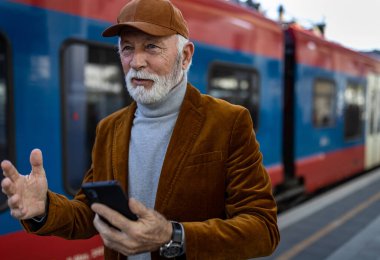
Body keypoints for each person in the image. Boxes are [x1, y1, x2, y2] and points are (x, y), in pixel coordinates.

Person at [1, 0, 280, 259]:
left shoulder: (228, 122)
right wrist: (44, 209)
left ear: (185, 56)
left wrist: (173, 236)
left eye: (151, 47)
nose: (136, 62)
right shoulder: (109, 128)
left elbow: (263, 229)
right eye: (127, 48)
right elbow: (90, 213)